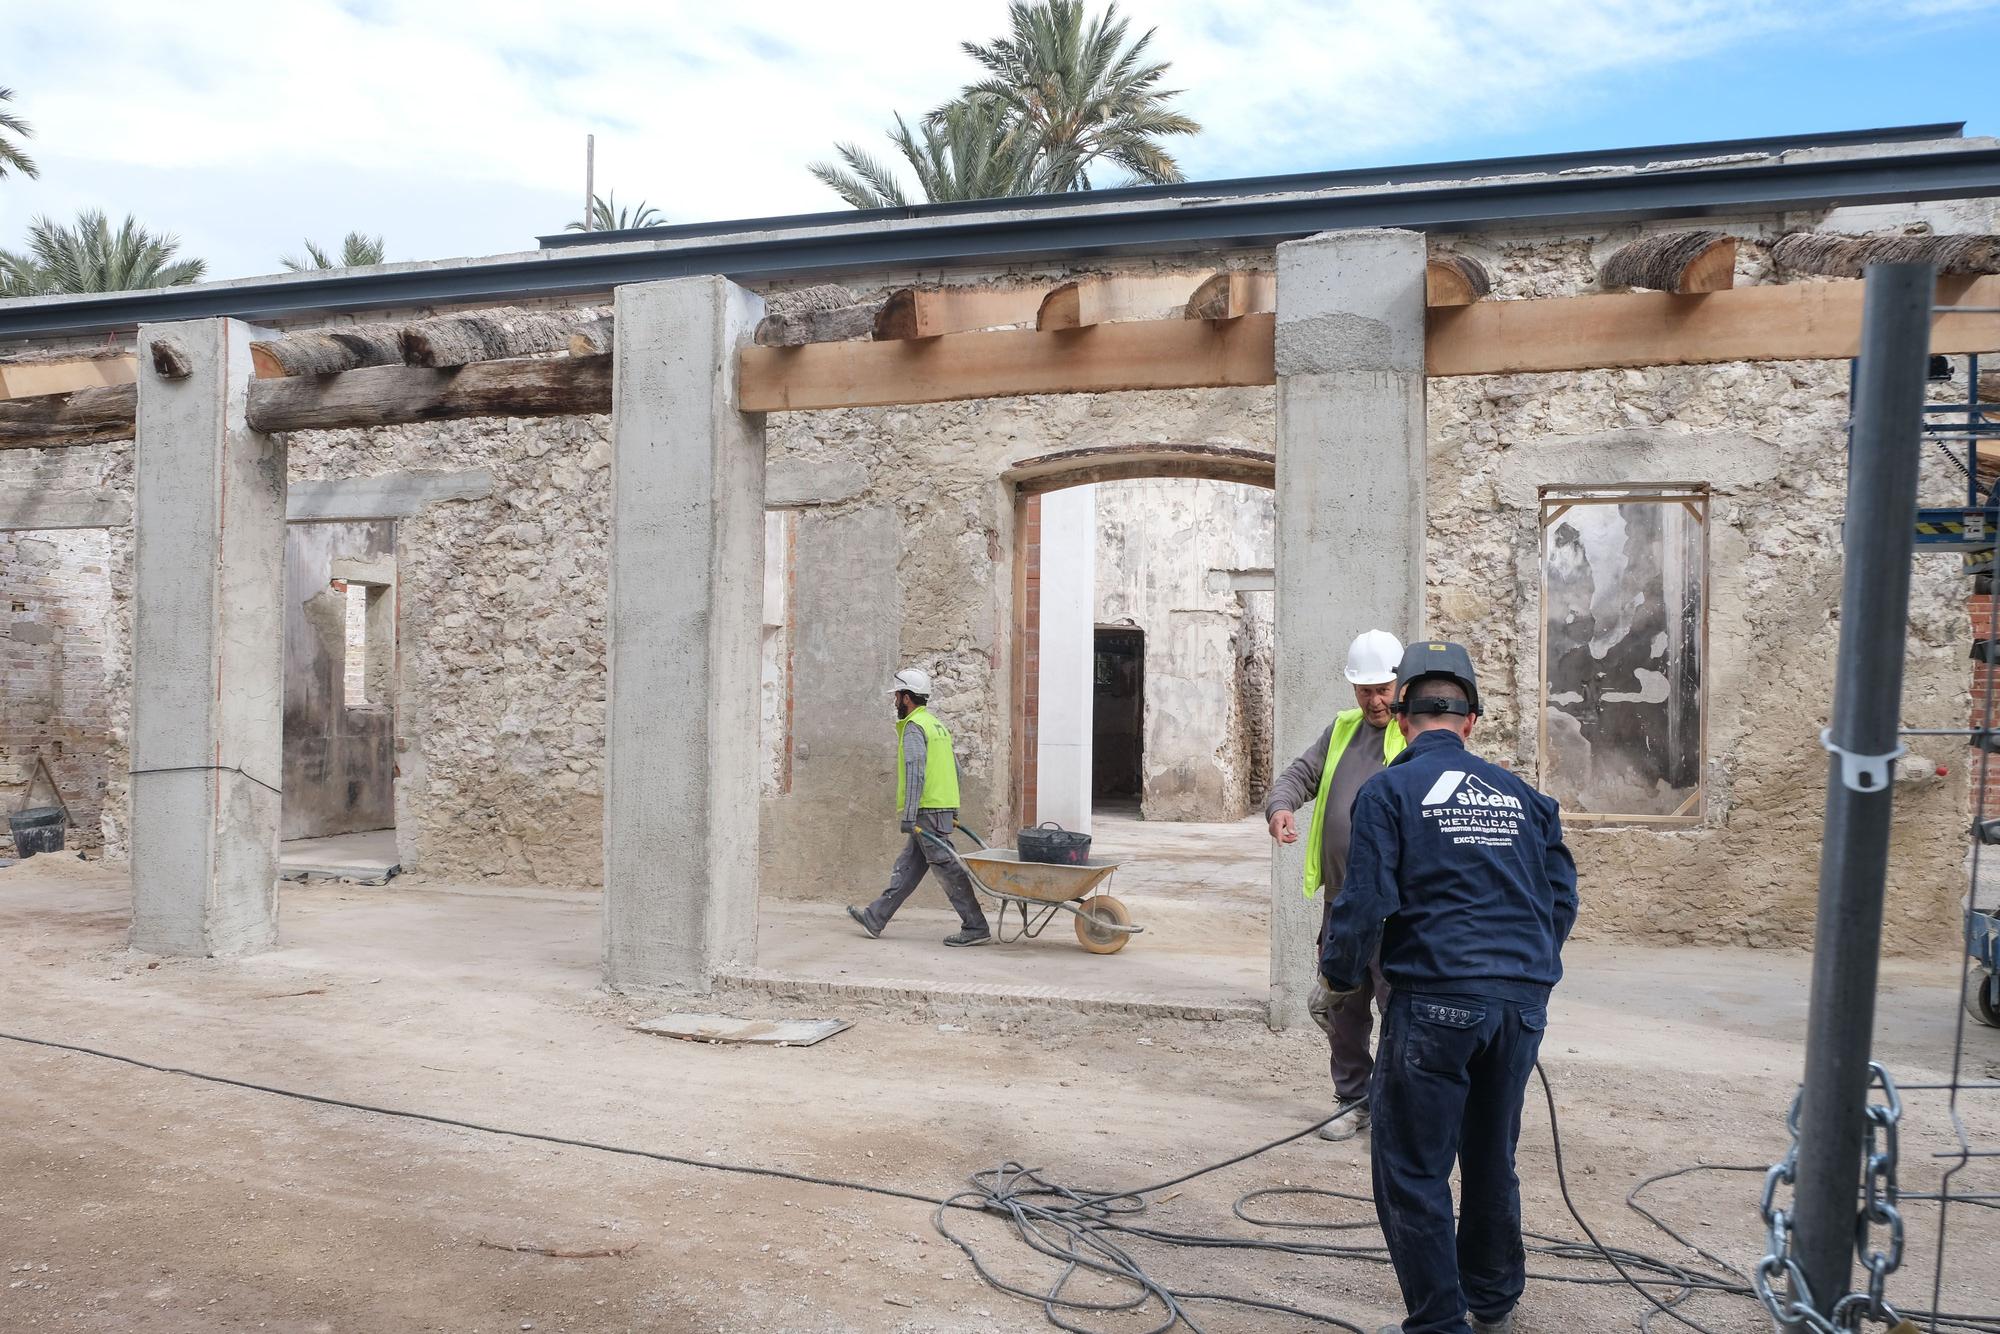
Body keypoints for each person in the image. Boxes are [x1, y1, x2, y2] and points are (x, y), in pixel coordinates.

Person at [1318, 642, 1578, 1334]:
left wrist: (1340, 978)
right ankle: (1491, 1299)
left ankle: (1438, 1320)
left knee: (1410, 1166)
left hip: (1435, 1001)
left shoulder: (1389, 792)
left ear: (1400, 717)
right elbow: (1560, 900)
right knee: (1491, 1155)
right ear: (1472, 720)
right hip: (1520, 1003)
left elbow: (1365, 901)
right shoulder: (1525, 797)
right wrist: (1520, 974)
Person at [1263, 628, 1406, 1142]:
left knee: (1400, 1012)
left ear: (1402, 684)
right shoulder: (1342, 730)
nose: (1374, 700)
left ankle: (1397, 1108)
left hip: (1397, 912)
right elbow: (1297, 775)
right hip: (1342, 905)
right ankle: (1353, 1100)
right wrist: (1280, 807)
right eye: (1364, 690)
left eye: (1383, 688)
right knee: (1344, 1008)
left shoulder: (1416, 737)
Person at [847, 668, 993, 948]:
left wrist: (909, 814)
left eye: (897, 697)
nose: (895, 703)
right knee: (908, 867)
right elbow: (956, 770)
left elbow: (916, 772)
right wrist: (953, 808)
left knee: (948, 868)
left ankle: (975, 926)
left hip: (927, 811)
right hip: (940, 808)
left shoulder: (915, 727)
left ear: (906, 698)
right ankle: (875, 918)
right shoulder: (936, 725)